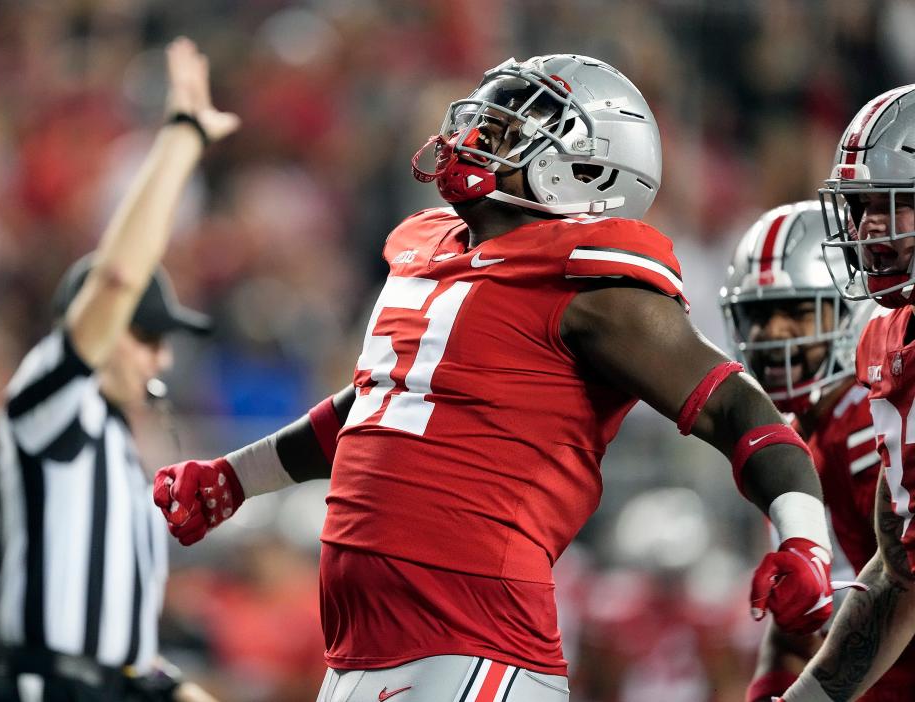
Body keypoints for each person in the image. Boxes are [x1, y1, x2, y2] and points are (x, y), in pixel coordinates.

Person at [155, 54, 834, 701]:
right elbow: (375, 407)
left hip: (473, 639)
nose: (474, 138)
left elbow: (740, 411)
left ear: (587, 171)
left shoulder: (596, 286)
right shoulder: (426, 249)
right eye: (484, 120)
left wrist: (804, 540)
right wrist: (234, 479)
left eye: (509, 131)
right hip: (365, 644)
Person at [0, 38, 238, 702]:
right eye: (147, 336)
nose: (161, 358)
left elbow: (117, 644)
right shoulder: (50, 397)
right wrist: (182, 139)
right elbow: (119, 276)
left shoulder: (116, 448)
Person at [720, 200, 915, 701]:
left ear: (847, 312)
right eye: (758, 315)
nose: (770, 335)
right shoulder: (790, 439)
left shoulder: (866, 420)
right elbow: (798, 626)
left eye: (796, 311)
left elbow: (901, 584)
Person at [778, 85, 915, 702]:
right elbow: (900, 572)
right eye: (861, 206)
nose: (867, 228)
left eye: (893, 205)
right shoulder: (886, 343)